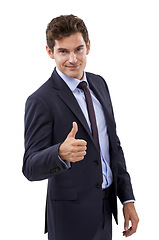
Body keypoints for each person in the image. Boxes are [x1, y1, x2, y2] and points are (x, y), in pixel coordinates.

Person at [23, 14, 139, 240]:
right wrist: (59, 153)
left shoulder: (99, 84)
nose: (73, 59)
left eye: (78, 49)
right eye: (63, 52)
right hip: (69, 220)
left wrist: (127, 199)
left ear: (88, 46)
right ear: (50, 52)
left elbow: (112, 145)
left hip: (105, 212)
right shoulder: (40, 100)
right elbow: (30, 166)